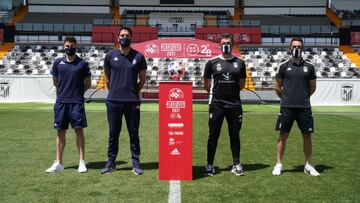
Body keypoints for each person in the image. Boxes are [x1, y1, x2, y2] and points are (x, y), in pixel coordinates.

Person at [101, 26, 147, 175]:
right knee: (113, 133)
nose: (124, 37)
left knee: (133, 133)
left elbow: (142, 79)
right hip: (113, 101)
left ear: (131, 38)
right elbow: (107, 78)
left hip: (132, 101)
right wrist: (114, 91)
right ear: (118, 38)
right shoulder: (110, 56)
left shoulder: (139, 56)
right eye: (122, 35)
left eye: (127, 35)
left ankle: (136, 162)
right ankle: (111, 162)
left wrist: (134, 92)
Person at [272, 37, 320, 176]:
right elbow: (277, 87)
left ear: (303, 49)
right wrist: (287, 99)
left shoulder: (310, 67)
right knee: (283, 136)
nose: (296, 49)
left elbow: (312, 88)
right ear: (290, 48)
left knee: (307, 136)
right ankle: (279, 164)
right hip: (287, 107)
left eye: (299, 46)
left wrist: (302, 98)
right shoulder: (283, 66)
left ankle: (308, 165)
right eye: (294, 46)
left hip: (304, 107)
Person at [203, 33, 247, 176]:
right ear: (219, 45)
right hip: (217, 104)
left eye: (228, 42)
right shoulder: (212, 62)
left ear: (232, 44)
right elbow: (206, 84)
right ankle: (209, 164)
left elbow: (241, 84)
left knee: (235, 135)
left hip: (234, 105)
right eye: (223, 43)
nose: (225, 45)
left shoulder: (240, 63)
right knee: (213, 135)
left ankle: (236, 164)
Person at [46, 36, 91, 173]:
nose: (69, 48)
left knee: (79, 131)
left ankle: (81, 162)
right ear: (63, 46)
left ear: (76, 46)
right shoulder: (58, 63)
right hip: (61, 102)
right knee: (60, 132)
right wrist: (65, 92)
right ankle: (58, 162)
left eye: (71, 45)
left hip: (76, 102)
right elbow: (55, 82)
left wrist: (77, 92)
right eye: (67, 45)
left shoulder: (82, 64)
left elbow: (88, 84)